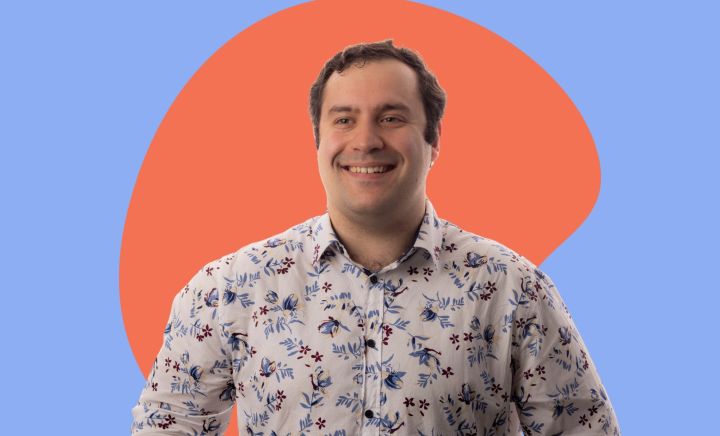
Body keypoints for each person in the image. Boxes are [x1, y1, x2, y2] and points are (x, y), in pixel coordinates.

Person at [131, 40, 620, 435]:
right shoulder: (229, 288)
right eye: (344, 119)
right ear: (318, 141)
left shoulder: (512, 288)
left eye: (391, 117)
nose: (366, 140)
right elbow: (167, 426)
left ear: (434, 140)